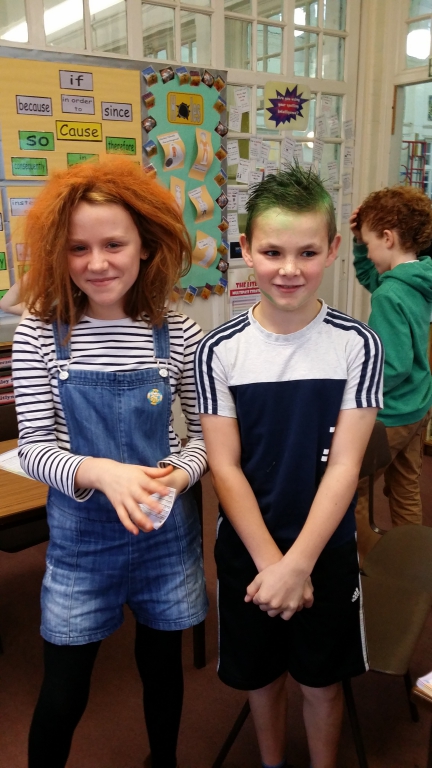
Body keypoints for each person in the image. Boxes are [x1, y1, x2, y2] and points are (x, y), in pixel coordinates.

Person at [12, 157, 208, 768]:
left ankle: (163, 761)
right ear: (58, 253)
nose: (96, 263)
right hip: (81, 545)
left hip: (164, 537)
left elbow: (206, 441)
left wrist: (179, 473)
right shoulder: (39, 333)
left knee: (162, 670)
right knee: (65, 686)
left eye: (113, 244)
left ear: (146, 245)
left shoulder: (180, 332)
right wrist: (102, 472)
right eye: (78, 248)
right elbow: (32, 448)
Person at [195, 165, 383, 768]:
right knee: (261, 678)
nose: (289, 269)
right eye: (273, 252)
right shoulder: (218, 349)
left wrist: (297, 565)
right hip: (248, 550)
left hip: (324, 549)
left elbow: (346, 464)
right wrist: (271, 566)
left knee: (321, 683)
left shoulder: (357, 344)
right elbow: (225, 468)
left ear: (333, 248)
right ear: (246, 248)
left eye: (307, 252)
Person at [350, 186, 432, 563]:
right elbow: (375, 276)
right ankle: (410, 562)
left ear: (388, 238)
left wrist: (354, 390)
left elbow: (393, 366)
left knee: (353, 488)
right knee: (405, 487)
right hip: (419, 407)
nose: (367, 253)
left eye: (368, 245)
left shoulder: (389, 295)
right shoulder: (417, 278)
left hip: (392, 415)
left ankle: (371, 563)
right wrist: (359, 240)